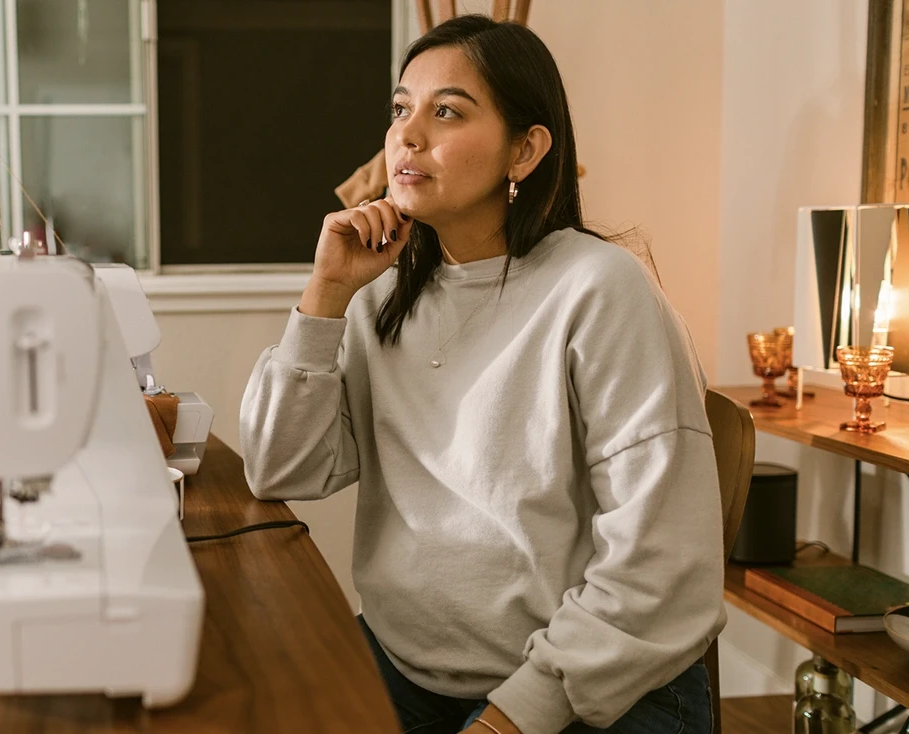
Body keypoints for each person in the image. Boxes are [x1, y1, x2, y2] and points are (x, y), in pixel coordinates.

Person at [239, 14, 723, 734]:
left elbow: (661, 563)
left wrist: (509, 718)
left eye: (446, 113)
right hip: (411, 668)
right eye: (401, 109)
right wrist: (325, 297)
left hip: (594, 685)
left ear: (524, 150)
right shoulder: (379, 294)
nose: (408, 134)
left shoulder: (597, 290)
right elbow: (281, 469)